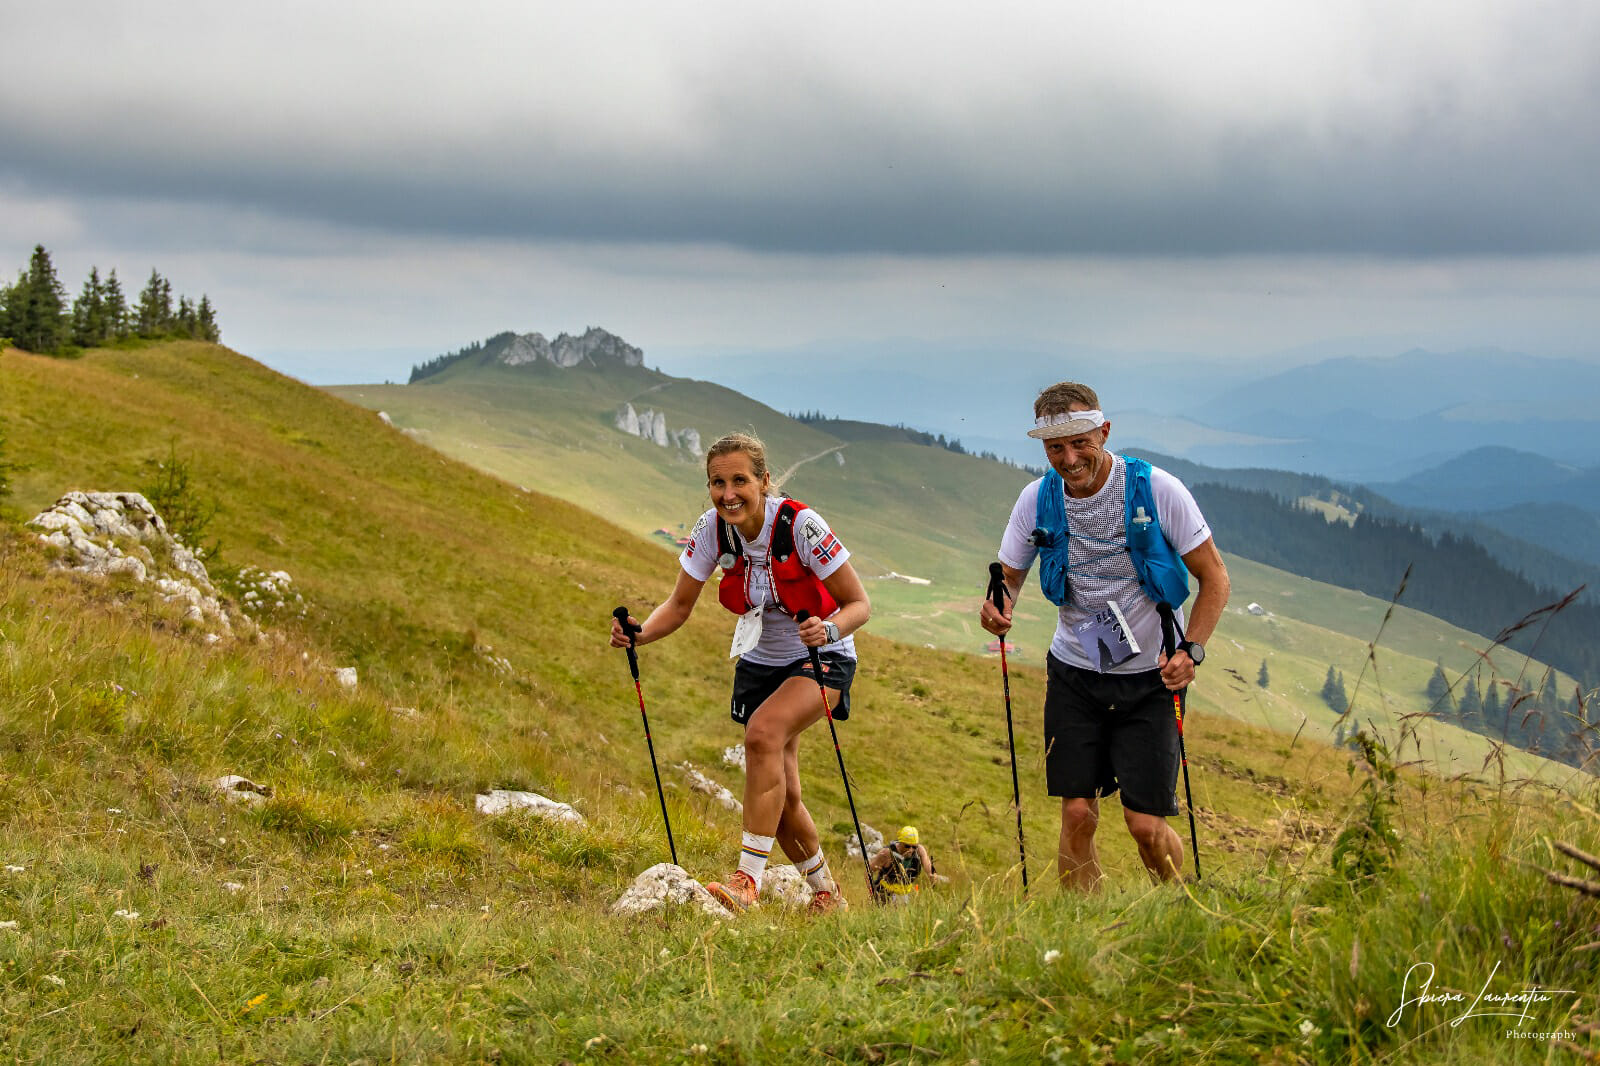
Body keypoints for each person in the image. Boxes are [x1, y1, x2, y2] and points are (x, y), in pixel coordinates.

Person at [978, 382, 1229, 889]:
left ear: (1104, 432)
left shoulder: (1158, 490)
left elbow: (1215, 578)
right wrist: (998, 608)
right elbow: (1008, 576)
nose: (1069, 459)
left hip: (1150, 678)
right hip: (1074, 671)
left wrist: (1192, 650)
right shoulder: (1036, 500)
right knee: (1077, 815)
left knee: (1145, 826)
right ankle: (1077, 934)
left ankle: (1182, 904)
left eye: (1080, 443)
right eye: (1055, 448)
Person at [610, 432, 871, 914]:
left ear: (764, 481)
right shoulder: (712, 529)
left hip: (822, 657)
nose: (728, 493)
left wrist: (829, 630)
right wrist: (639, 633)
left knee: (762, 735)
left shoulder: (801, 525)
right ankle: (828, 896)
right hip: (759, 661)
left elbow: (860, 604)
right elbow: (680, 604)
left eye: (739, 481)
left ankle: (746, 882)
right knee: (784, 795)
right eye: (717, 482)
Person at [869, 825, 935, 903]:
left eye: (914, 847)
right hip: (885, 895)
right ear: (900, 842)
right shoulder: (886, 853)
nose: (910, 850)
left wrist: (932, 874)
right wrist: (871, 891)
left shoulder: (920, 850)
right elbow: (868, 872)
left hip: (905, 894)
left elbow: (928, 866)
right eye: (907, 846)